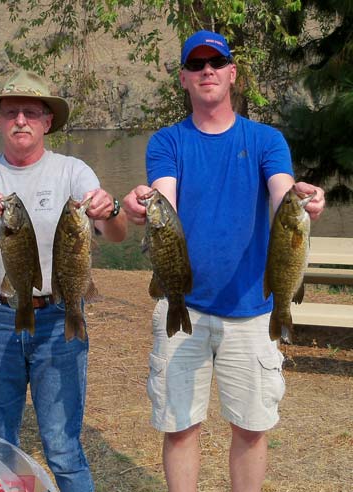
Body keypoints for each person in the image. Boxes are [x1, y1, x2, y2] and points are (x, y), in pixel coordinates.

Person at [123, 31, 326, 491]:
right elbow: (164, 200)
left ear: (232, 73)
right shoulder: (167, 142)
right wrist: (143, 206)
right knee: (179, 427)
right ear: (184, 79)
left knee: (252, 430)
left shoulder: (266, 140)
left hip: (254, 310)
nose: (207, 70)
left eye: (217, 62)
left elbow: (281, 195)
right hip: (185, 306)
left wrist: (303, 200)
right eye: (196, 65)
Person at [0, 69, 127, 492]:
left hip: (60, 316)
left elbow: (116, 234)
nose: (20, 121)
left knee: (63, 447)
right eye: (11, 112)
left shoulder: (73, 171)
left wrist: (111, 209)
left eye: (31, 112)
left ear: (48, 121)